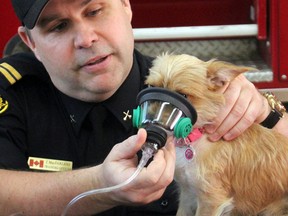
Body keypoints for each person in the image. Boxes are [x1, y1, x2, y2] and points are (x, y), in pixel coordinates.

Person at [0, 0, 287, 215]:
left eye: (94, 11)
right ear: (30, 42)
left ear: (126, 5)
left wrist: (269, 114)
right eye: (59, 26)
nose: (85, 39)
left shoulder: (185, 84)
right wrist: (99, 184)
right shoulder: (10, 90)